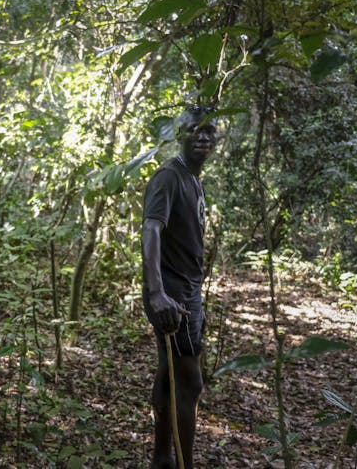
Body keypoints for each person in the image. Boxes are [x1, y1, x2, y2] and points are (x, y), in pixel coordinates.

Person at [141, 104, 217, 468]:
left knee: (170, 375)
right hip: (173, 296)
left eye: (209, 131)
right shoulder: (168, 177)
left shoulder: (192, 178)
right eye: (195, 130)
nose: (202, 137)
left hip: (186, 291)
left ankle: (161, 459)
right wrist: (157, 293)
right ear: (180, 134)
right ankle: (183, 463)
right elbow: (151, 228)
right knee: (190, 383)